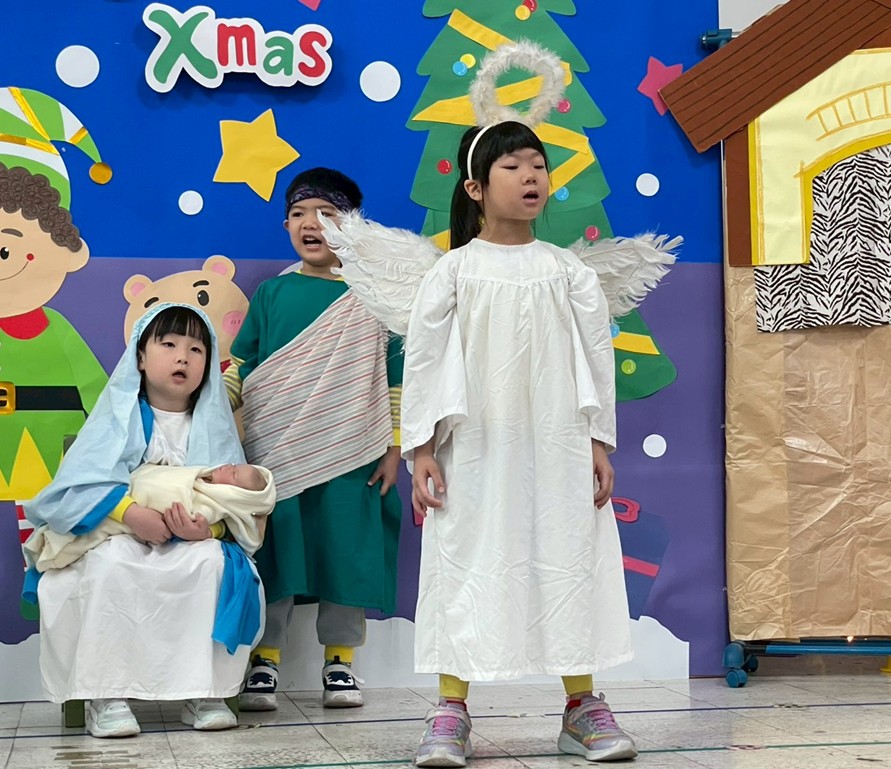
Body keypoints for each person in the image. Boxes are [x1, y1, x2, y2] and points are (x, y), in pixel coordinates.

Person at [405, 120, 638, 766]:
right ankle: (450, 707)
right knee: (465, 556)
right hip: (473, 448)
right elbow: (424, 361)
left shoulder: (566, 272)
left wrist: (598, 439)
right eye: (512, 166)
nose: (530, 175)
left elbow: (595, 357)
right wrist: (421, 447)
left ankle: (582, 705)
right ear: (476, 188)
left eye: (537, 164)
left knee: (567, 554)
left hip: (557, 444)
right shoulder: (453, 273)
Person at [23, 303, 262, 738]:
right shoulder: (117, 418)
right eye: (168, 344)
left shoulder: (215, 427)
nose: (182, 357)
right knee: (113, 562)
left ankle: (202, 692)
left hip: (188, 541)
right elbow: (72, 490)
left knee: (211, 562)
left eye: (196, 349)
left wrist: (205, 530)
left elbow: (240, 507)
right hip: (119, 534)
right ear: (140, 356)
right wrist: (131, 514)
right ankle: (107, 695)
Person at [231, 168, 403, 711]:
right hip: (276, 451)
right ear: (286, 225)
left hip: (353, 450)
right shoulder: (272, 293)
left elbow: (395, 378)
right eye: (300, 214)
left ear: (353, 227)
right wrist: (212, 403)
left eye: (328, 215)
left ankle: (341, 663)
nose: (313, 224)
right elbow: (243, 365)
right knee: (276, 552)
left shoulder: (374, 300)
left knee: (347, 553)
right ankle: (265, 661)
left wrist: (394, 447)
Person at [24, 461, 274, 572]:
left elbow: (219, 518)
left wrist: (209, 532)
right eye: (234, 465)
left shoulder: (212, 501)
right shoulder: (125, 411)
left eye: (234, 474)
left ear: (235, 495)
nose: (229, 466)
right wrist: (128, 511)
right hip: (119, 500)